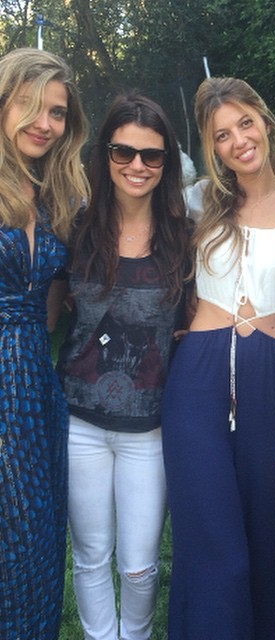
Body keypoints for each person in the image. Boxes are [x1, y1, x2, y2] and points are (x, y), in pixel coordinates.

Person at [161, 76, 275, 640]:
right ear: (212, 148)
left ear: (266, 122)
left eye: (246, 123)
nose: (239, 140)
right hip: (197, 376)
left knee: (266, 540)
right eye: (222, 135)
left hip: (273, 377)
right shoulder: (198, 202)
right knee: (216, 549)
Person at [56, 92, 192, 640]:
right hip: (80, 422)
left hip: (150, 427)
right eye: (123, 152)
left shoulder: (186, 236)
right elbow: (45, 310)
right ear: (105, 154)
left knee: (139, 567)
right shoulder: (75, 228)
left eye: (151, 155)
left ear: (166, 162)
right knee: (90, 556)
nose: (137, 165)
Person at [0, 47, 88, 639]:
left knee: (34, 541)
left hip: (35, 388)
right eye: (29, 105)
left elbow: (52, 305)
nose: (45, 123)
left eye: (57, 112)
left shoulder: (55, 195)